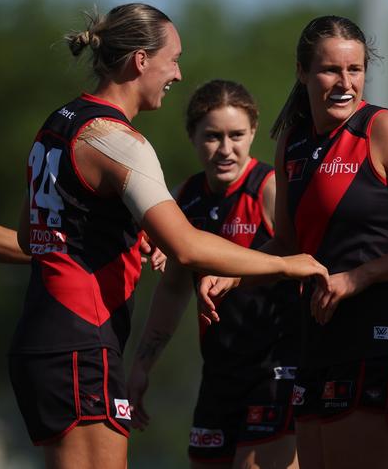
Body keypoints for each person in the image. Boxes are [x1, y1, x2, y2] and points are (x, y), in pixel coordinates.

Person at [8, 3, 327, 469]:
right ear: (141, 61)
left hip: (42, 336)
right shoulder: (118, 141)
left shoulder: (57, 123)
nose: (177, 73)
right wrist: (286, 262)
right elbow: (187, 246)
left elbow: (30, 233)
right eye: (172, 59)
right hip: (80, 338)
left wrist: (118, 236)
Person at [244, 15, 388, 469]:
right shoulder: (291, 142)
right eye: (330, 70)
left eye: (356, 69)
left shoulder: (384, 129)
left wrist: (359, 278)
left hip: (383, 340)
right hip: (319, 342)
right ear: (303, 72)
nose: (345, 82)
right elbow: (288, 243)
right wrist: (232, 272)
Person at [128, 79, 300, 469]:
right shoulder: (184, 199)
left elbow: (303, 262)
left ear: (254, 132)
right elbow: (172, 291)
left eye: (236, 135)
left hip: (276, 367)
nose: (226, 149)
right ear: (192, 137)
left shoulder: (269, 190)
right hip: (220, 372)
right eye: (212, 137)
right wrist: (141, 365)